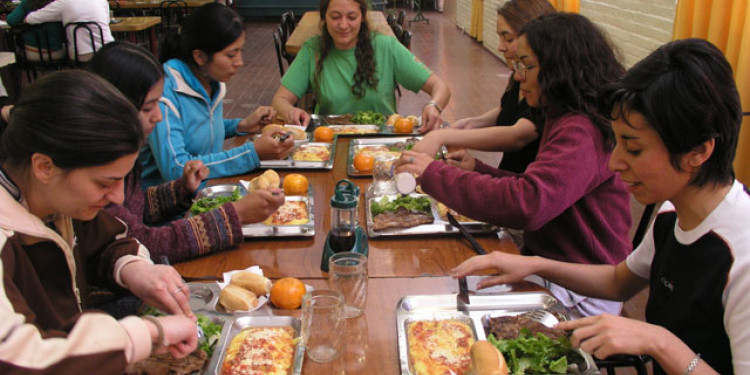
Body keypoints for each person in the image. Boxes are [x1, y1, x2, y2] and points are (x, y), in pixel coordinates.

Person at [452, 38, 750, 375]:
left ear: (697, 151)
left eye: (633, 149)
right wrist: (534, 264)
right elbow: (617, 281)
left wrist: (661, 343)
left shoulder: (742, 256)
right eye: (617, 142)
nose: (615, 163)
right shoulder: (671, 214)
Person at [396, 13, 632, 317]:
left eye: (527, 66)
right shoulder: (563, 115)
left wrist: (433, 173)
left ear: (561, 69)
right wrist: (478, 170)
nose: (518, 76)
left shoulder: (580, 131)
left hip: (583, 285)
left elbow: (528, 204)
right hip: (553, 262)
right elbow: (538, 189)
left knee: (449, 303)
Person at [0, 70, 198, 374]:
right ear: (44, 167)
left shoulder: (54, 197)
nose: (117, 197)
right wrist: (147, 334)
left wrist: (137, 271)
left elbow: (105, 240)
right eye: (106, 182)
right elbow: (21, 359)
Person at [91, 42, 285, 263]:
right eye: (148, 108)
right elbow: (142, 244)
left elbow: (136, 209)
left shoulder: (121, 154)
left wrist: (180, 190)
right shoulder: (96, 169)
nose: (158, 116)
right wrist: (235, 215)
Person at [142, 3, 294, 187]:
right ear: (200, 57)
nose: (239, 62)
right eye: (231, 55)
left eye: (240, 51)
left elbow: (197, 129)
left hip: (206, 190)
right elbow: (176, 169)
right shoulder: (164, 93)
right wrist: (251, 154)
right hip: (169, 207)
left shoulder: (210, 80)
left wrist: (241, 125)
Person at [415, 0, 554, 174]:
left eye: (508, 38)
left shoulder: (545, 86)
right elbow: (507, 110)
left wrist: (444, 135)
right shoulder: (520, 75)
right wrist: (469, 124)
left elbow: (517, 135)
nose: (500, 47)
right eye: (500, 37)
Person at [271, 0, 451, 132]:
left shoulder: (386, 47)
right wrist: (290, 111)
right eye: (335, 17)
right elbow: (280, 100)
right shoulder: (312, 50)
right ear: (324, 17)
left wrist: (433, 105)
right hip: (329, 141)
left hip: (382, 144)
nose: (343, 25)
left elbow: (440, 87)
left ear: (363, 18)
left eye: (351, 17)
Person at [23, 0, 114, 62]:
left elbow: (30, 19)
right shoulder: (101, 1)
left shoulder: (63, 3)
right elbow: (107, 20)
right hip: (107, 49)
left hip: (80, 54)